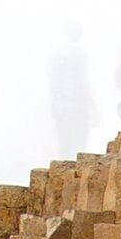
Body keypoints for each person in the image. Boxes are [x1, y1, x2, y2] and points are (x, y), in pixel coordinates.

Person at [46, 22, 94, 158]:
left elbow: (52, 82)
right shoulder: (79, 51)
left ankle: (62, 174)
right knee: (79, 144)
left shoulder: (56, 53)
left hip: (60, 105)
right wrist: (91, 105)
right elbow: (83, 80)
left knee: (64, 143)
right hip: (77, 104)